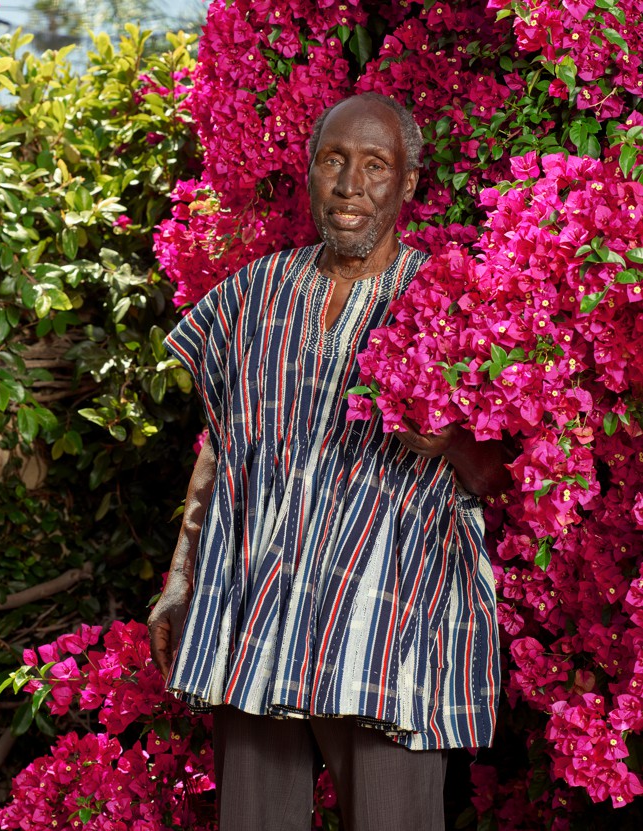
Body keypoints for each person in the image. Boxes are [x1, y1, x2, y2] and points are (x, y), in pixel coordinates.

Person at [148, 93, 510, 831]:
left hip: (389, 627)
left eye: (374, 166)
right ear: (310, 171)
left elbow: (504, 476)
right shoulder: (251, 295)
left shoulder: (448, 299)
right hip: (255, 613)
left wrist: (451, 442)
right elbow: (221, 444)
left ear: (407, 184)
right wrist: (180, 581)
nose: (349, 186)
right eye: (333, 162)